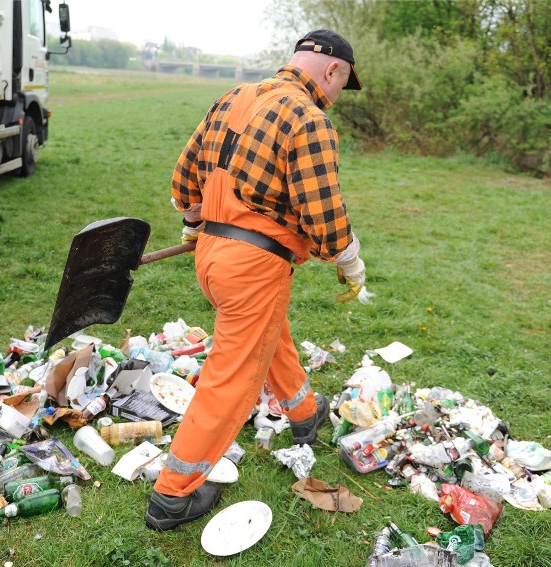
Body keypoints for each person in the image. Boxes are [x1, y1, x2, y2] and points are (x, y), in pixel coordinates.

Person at [145, 29, 367, 531]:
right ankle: (172, 494)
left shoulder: (234, 97)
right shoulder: (309, 120)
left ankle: (304, 412)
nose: (336, 99)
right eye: (342, 86)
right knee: (231, 381)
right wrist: (350, 260)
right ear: (332, 71)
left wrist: (196, 219)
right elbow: (325, 220)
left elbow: (185, 181)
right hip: (254, 265)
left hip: (212, 257)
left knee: (270, 330)